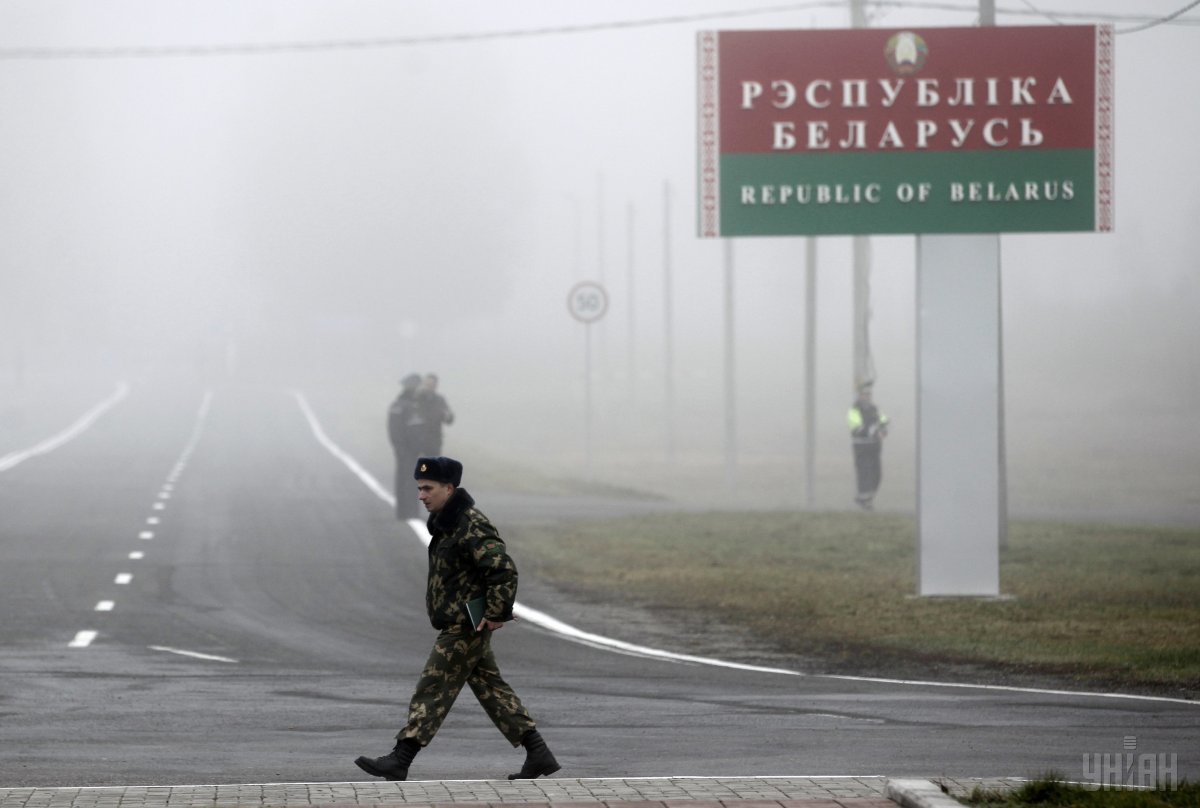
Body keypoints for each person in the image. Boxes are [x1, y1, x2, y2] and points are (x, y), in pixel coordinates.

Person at [354, 456, 561, 782]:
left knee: (432, 687)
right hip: (461, 622)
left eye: (428, 488)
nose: (421, 495)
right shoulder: (447, 523)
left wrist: (496, 612)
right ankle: (538, 752)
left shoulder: (470, 524)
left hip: (465, 625)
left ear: (449, 488)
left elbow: (503, 570)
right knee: (492, 690)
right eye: (419, 488)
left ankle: (401, 758)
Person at [847, 382, 889, 510]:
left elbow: (883, 419)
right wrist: (874, 431)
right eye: (864, 394)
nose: (867, 396)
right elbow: (856, 428)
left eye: (868, 394)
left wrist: (883, 428)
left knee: (876, 474)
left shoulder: (874, 408)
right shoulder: (854, 410)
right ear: (859, 396)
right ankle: (864, 500)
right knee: (864, 473)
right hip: (861, 446)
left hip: (874, 446)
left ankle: (867, 498)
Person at [387, 374, 423, 519]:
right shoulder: (399, 405)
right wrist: (400, 448)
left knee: (413, 480)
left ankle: (411, 511)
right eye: (414, 385)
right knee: (405, 479)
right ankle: (404, 511)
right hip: (405, 449)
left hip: (414, 449)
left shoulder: (416, 404)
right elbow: (394, 429)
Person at [413, 373, 454, 456]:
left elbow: (448, 419)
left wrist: (448, 416)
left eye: (432, 384)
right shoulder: (415, 398)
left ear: (436, 385)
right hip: (416, 441)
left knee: (432, 463)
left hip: (434, 442)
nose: (429, 386)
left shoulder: (440, 400)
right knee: (417, 463)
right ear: (423, 384)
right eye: (427, 384)